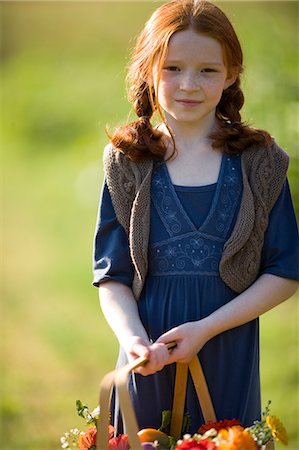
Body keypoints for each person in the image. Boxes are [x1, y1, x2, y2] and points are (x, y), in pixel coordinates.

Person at [93, 0, 299, 435]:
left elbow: (285, 270)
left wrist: (206, 329)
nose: (189, 84)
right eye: (173, 68)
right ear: (148, 69)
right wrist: (132, 340)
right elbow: (111, 274)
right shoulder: (126, 161)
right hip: (148, 355)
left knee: (225, 439)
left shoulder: (261, 163)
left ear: (230, 75)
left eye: (207, 70)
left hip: (228, 346)